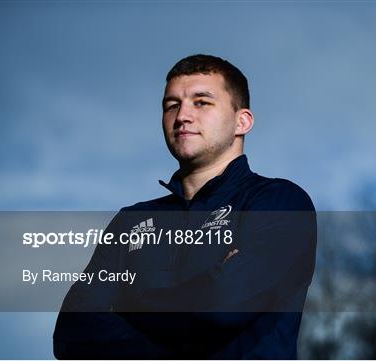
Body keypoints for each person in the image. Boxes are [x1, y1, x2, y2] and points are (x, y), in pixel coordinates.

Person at [53, 54, 317, 359]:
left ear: (241, 121)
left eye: (201, 102)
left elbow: (223, 308)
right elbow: (72, 333)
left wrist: (126, 306)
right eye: (172, 105)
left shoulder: (279, 202)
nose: (183, 116)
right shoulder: (132, 221)